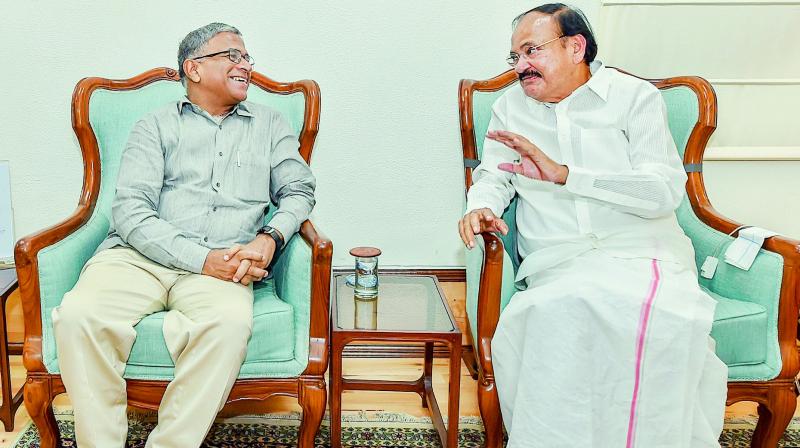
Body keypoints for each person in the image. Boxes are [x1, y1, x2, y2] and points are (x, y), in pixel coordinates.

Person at [458, 4, 727, 447]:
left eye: (531, 51)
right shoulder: (511, 105)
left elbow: (663, 192)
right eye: (515, 56)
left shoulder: (634, 98)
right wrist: (482, 206)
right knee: (548, 317)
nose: (520, 66)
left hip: (641, 253)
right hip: (558, 261)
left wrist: (569, 175)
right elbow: (493, 174)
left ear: (575, 47)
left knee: (651, 321)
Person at [52, 22, 316, 447]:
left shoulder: (270, 124)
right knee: (80, 315)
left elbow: (299, 190)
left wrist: (269, 238)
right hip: (138, 257)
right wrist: (199, 258)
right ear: (193, 68)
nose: (245, 65)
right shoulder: (152, 126)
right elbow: (131, 212)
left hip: (225, 264)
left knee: (230, 324)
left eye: (247, 57)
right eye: (233, 55)